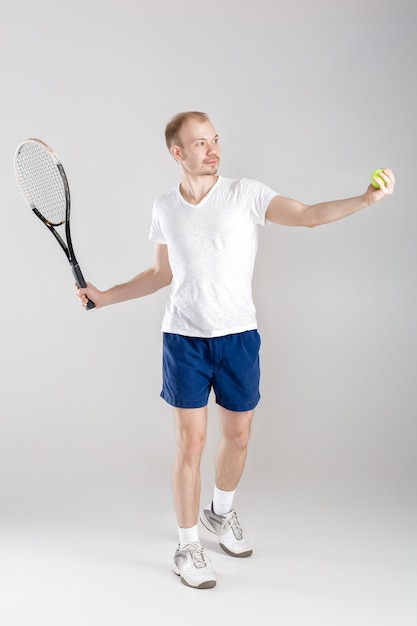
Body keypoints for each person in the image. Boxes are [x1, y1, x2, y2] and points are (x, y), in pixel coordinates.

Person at [76, 111, 395, 589]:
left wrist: (367, 199)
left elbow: (307, 217)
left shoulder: (245, 194)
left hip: (239, 336)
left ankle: (219, 515)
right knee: (191, 444)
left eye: (215, 140)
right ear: (177, 153)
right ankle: (187, 547)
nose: (213, 150)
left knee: (239, 436)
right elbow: (161, 275)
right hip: (183, 338)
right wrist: (104, 296)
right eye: (200, 143)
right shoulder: (165, 207)